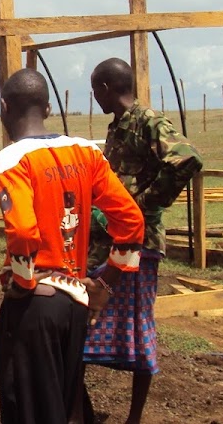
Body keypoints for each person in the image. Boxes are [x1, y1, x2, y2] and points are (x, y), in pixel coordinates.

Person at [0, 68, 145, 424]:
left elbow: (25, 232)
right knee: (65, 402)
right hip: (77, 304)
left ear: (3, 107)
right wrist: (107, 282)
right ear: (47, 108)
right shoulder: (86, 152)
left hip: (36, 306)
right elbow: (132, 221)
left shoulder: (12, 160)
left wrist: (23, 281)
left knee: (28, 408)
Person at [82, 58, 204, 424]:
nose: (95, 98)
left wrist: (143, 203)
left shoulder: (147, 121)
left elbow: (188, 158)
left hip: (140, 243)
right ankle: (81, 411)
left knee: (138, 327)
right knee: (83, 321)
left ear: (106, 88)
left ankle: (134, 418)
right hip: (108, 241)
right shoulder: (118, 127)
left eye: (95, 91)